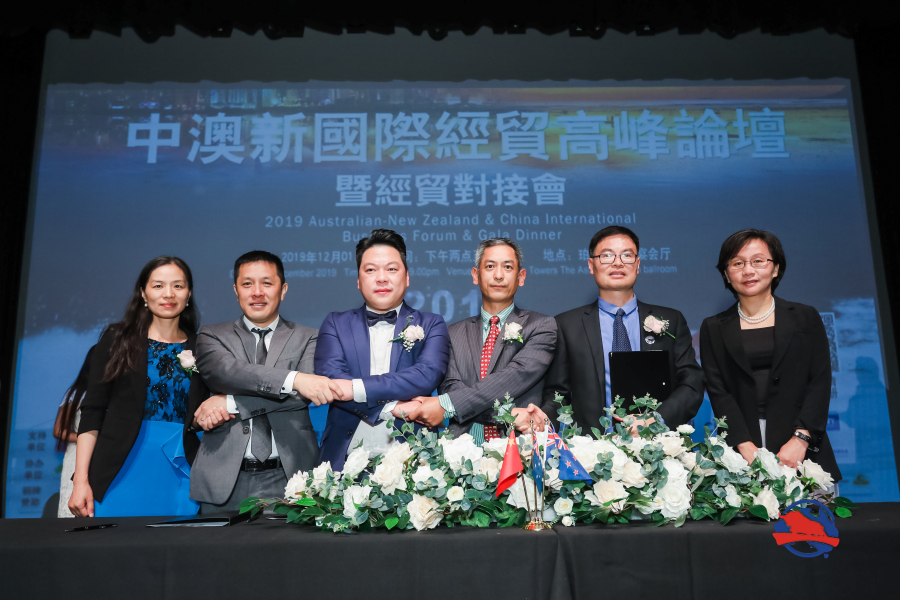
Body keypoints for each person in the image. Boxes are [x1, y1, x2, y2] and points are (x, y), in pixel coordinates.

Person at [188, 250, 341, 513]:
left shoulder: (309, 337)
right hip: (223, 479)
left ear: (283, 290)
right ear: (236, 290)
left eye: (267, 283)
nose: (257, 292)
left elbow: (301, 396)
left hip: (292, 478)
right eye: (247, 284)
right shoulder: (212, 335)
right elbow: (227, 372)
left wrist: (230, 403)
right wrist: (294, 379)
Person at [699, 229, 842, 484]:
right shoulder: (713, 327)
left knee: (809, 510)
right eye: (737, 263)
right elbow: (719, 391)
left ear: (775, 268)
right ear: (726, 274)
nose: (748, 270)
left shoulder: (805, 317)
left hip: (801, 448)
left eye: (758, 261)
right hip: (742, 451)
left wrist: (801, 439)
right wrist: (743, 444)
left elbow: (819, 381)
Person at [69, 257, 203, 517]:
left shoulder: (203, 347)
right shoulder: (117, 340)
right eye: (158, 286)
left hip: (180, 468)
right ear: (143, 293)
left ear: (188, 294)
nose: (168, 294)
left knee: (178, 541)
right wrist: (80, 480)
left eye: (177, 286)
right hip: (120, 468)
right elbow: (93, 411)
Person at [543, 226, 704, 433]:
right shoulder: (566, 325)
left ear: (638, 265)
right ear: (591, 265)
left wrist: (656, 420)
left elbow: (692, 383)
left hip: (658, 443)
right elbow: (557, 393)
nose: (617, 263)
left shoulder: (671, 320)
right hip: (592, 447)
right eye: (607, 255)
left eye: (627, 255)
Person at [315, 229, 450, 470]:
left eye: (391, 269)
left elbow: (426, 375)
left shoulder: (432, 323)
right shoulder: (335, 323)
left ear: (407, 277)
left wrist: (357, 388)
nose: (381, 278)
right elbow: (333, 382)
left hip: (414, 463)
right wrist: (394, 408)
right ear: (358, 280)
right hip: (343, 461)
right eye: (370, 270)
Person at [406, 238, 556, 442]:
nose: (498, 275)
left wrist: (447, 405)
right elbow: (450, 388)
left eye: (508, 267)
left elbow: (515, 376)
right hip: (461, 449)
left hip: (520, 449)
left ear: (521, 277)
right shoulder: (453, 333)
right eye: (490, 266)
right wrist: (510, 415)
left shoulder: (541, 326)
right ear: (475, 275)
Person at [53, 346, 95, 518]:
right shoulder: (77, 393)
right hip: (78, 454)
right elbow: (58, 431)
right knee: (74, 508)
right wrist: (88, 437)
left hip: (105, 454)